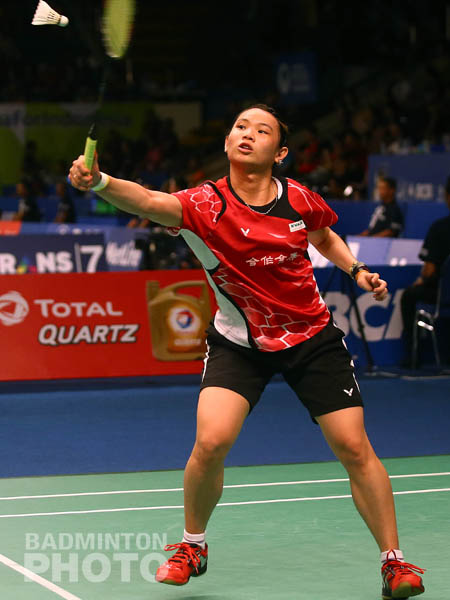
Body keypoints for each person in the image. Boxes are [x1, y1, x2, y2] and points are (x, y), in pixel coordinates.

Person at [69, 103, 425, 599]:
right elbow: (149, 201)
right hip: (240, 342)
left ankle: (394, 562)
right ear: (226, 142)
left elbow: (323, 234)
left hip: (311, 337)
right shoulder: (204, 204)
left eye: (261, 130)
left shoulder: (298, 197)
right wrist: (101, 182)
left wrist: (356, 270)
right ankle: (193, 545)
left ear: (279, 153)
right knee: (211, 441)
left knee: (353, 446)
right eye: (240, 126)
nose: (247, 134)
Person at [400, 176, 450, 366]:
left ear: (447, 196)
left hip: (442, 296)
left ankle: (412, 356)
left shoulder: (439, 228)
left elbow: (429, 271)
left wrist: (421, 280)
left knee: (408, 296)